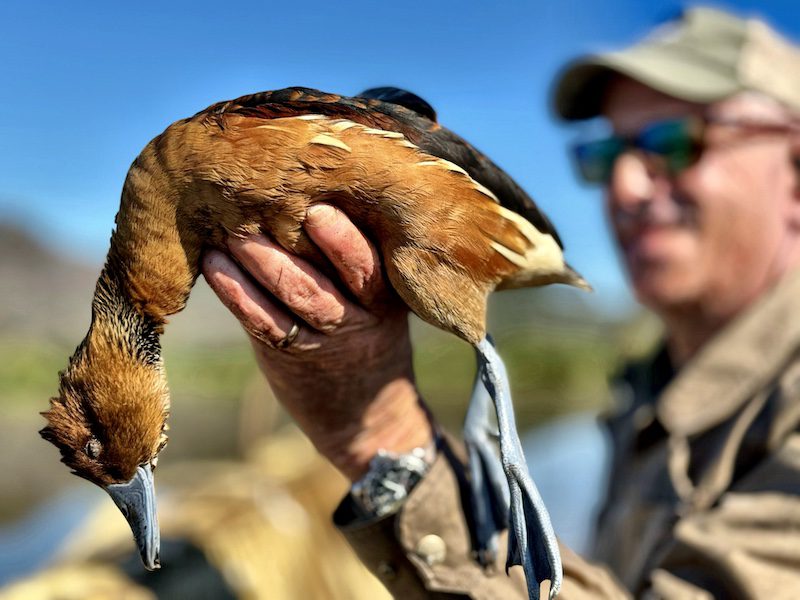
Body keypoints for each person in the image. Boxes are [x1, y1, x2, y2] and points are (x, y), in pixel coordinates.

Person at [201, 6, 800, 599]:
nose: (624, 187)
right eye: (603, 156)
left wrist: (385, 434)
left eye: (672, 143)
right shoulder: (648, 391)